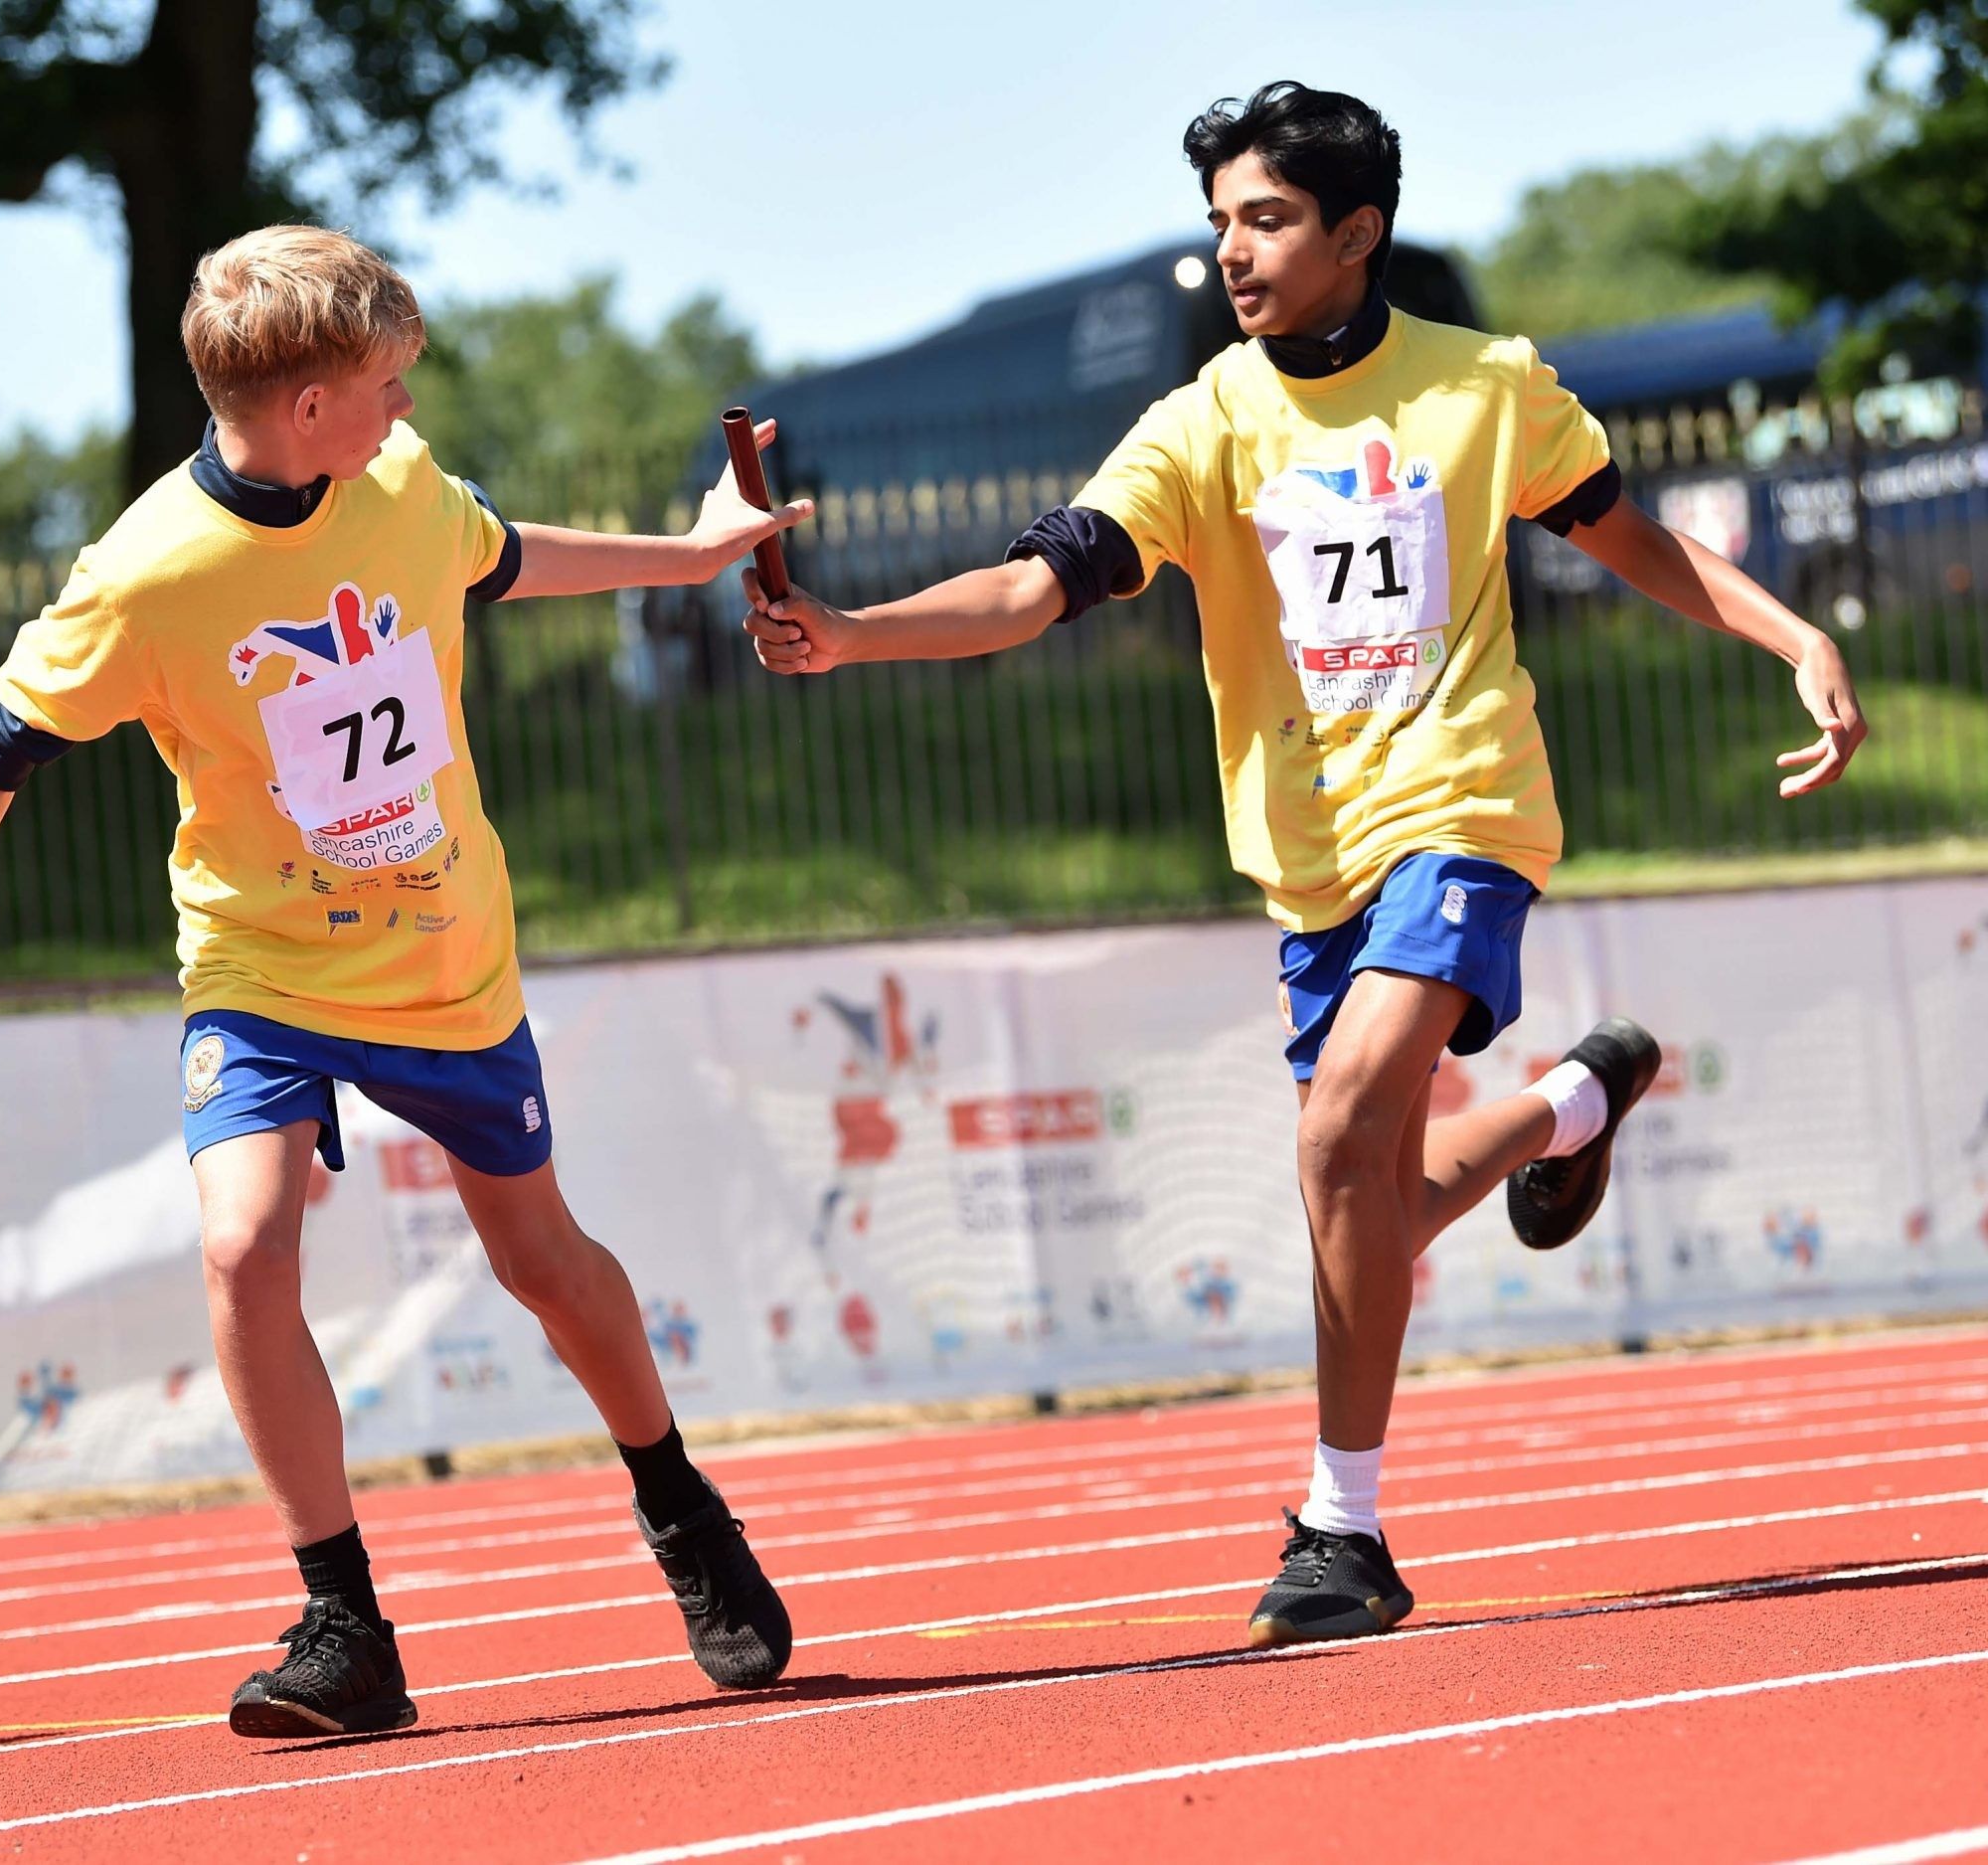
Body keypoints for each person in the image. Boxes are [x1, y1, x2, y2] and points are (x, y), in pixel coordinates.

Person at [740, 82, 1866, 1648]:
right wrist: (852, 634)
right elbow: (1031, 588)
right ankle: (1575, 1102)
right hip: (1309, 862)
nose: (1234, 253)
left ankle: (1345, 1528)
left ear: (1359, 230)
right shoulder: (1204, 421)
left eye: (1265, 219)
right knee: (1376, 1205)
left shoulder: (1487, 388)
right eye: (1218, 225)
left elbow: (1634, 539)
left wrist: (1796, 632)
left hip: (1466, 807)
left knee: (1341, 1137)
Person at [0, 226, 811, 1737]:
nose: (404, 408)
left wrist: (692, 556)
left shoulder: (403, 490)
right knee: (243, 1247)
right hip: (259, 966)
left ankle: (680, 1504)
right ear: (308, 406)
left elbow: (510, 559)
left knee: (540, 1259)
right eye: (384, 384)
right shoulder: (145, 575)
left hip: (443, 960)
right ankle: (342, 1621)